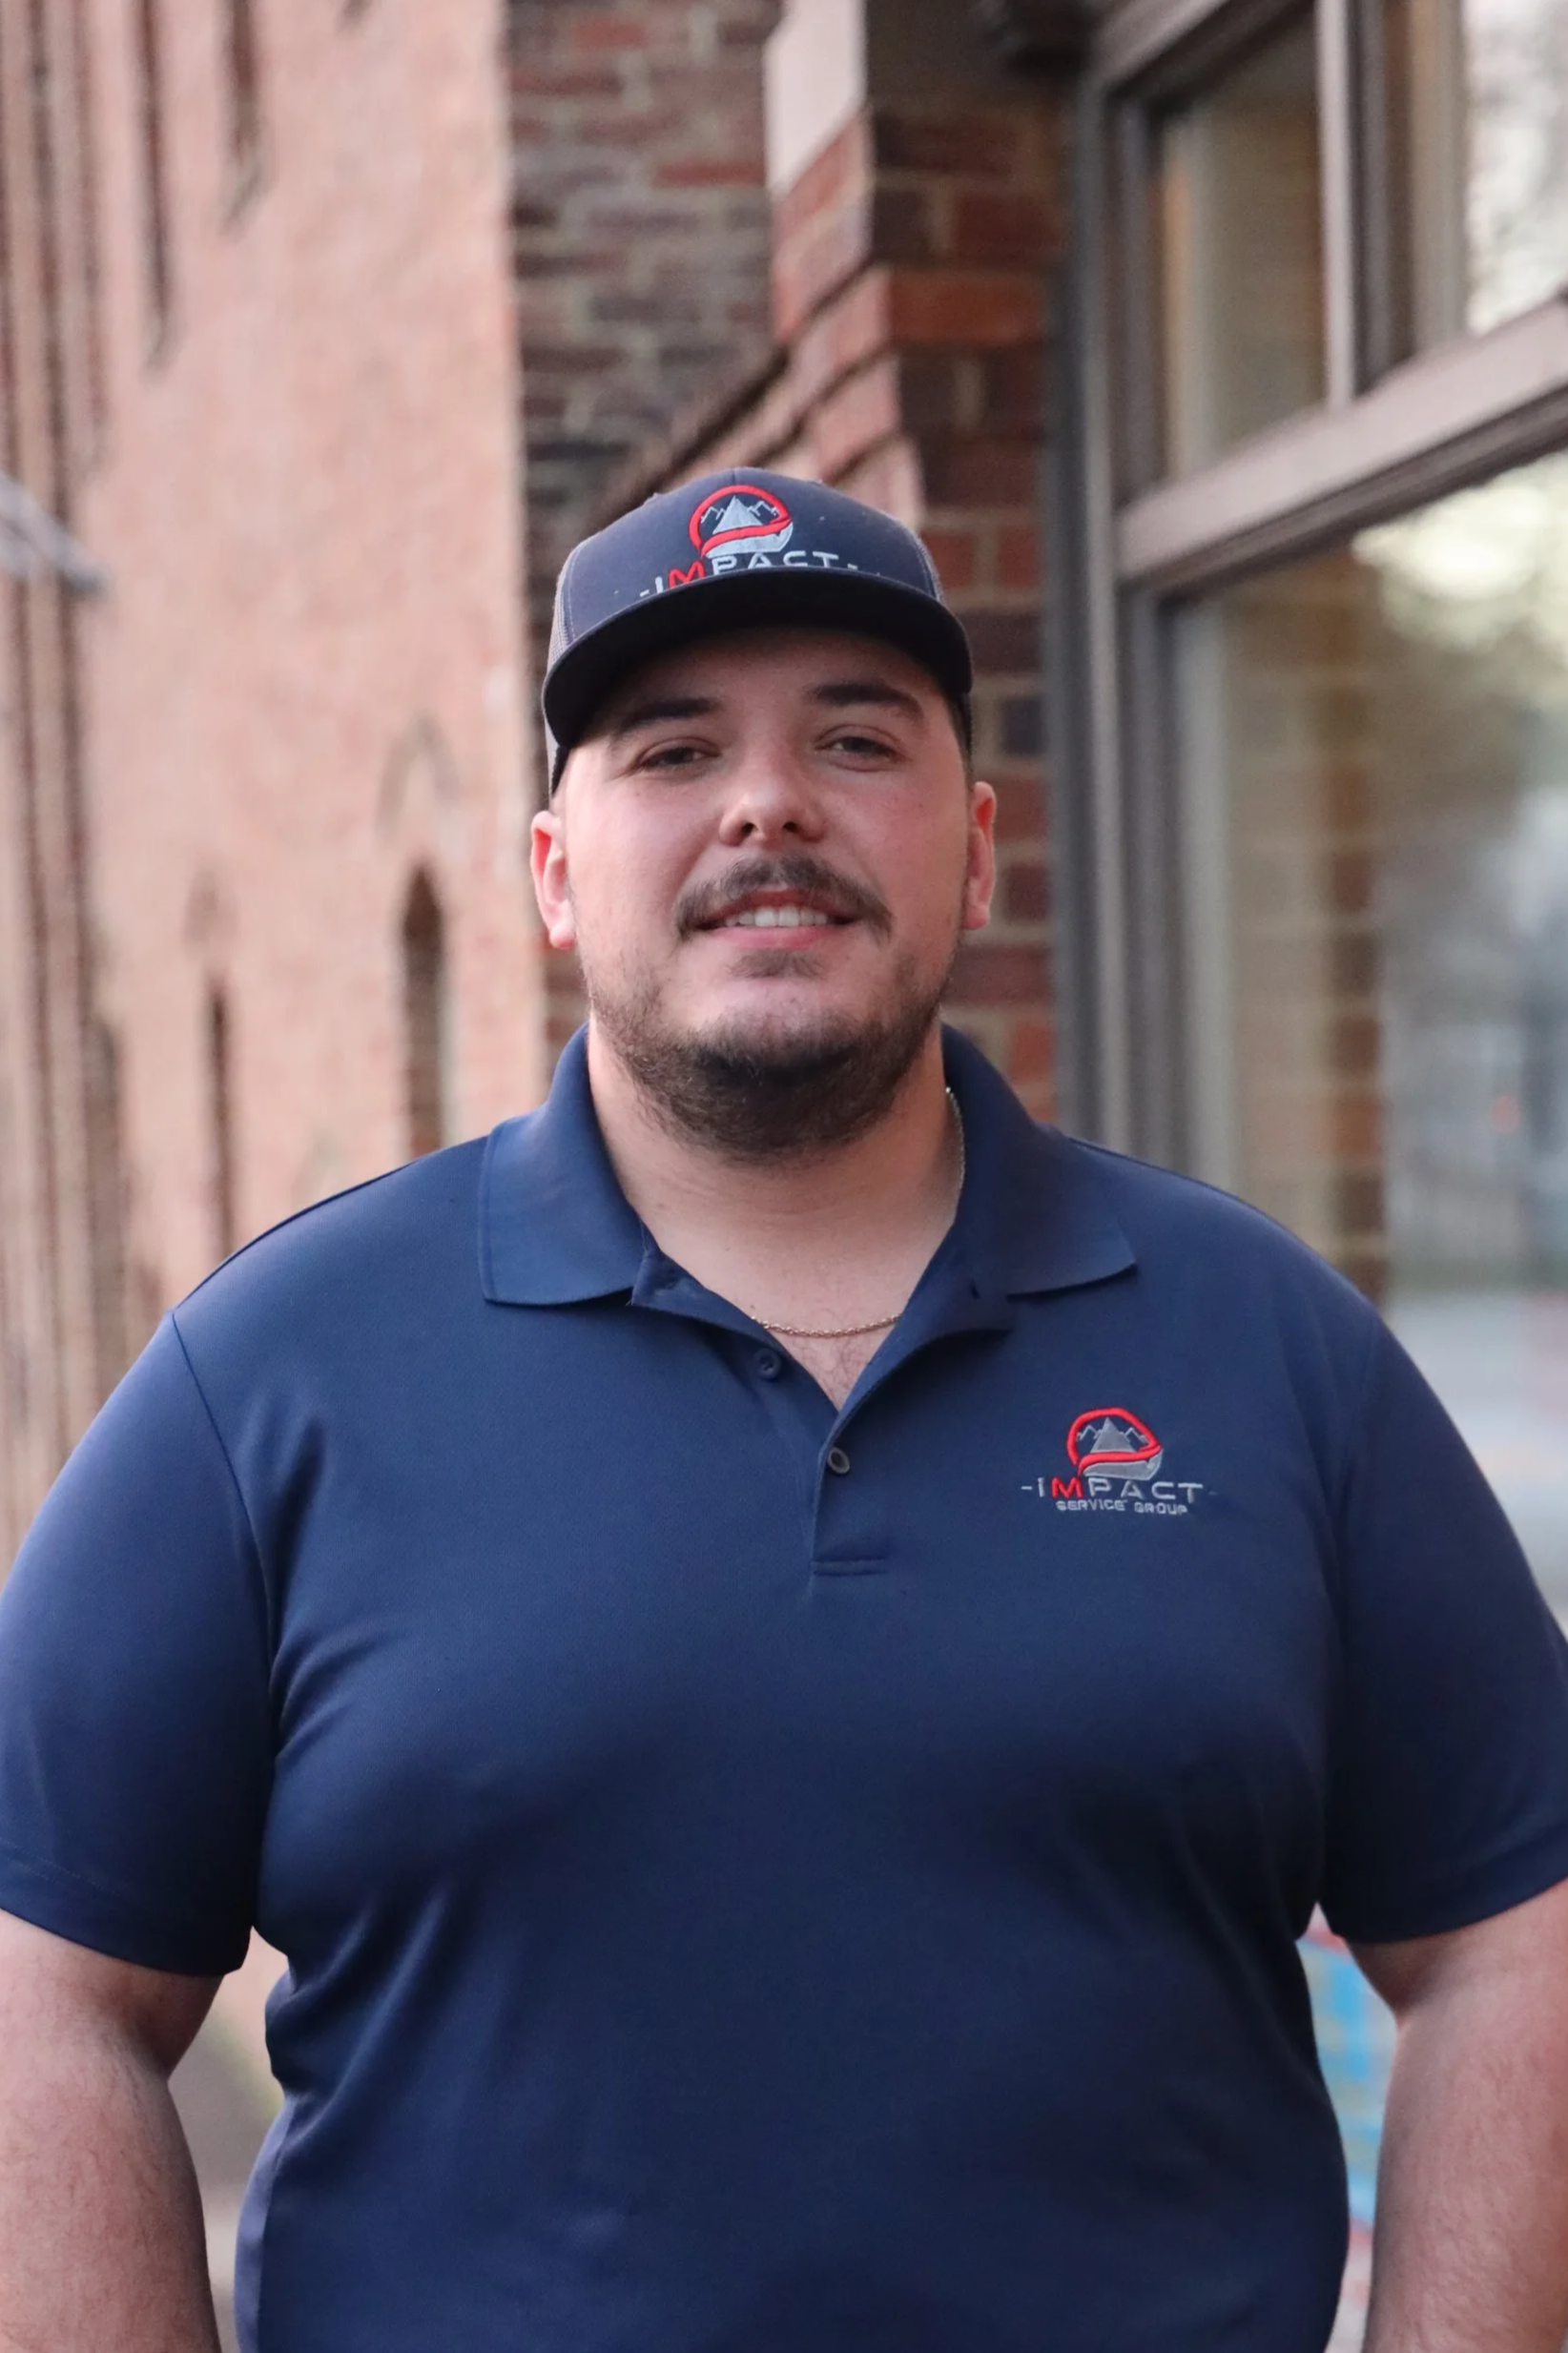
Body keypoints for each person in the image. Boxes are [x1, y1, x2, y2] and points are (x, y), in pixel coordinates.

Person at [1, 466, 1567, 2353]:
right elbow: (45, 1996)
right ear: (558, 875)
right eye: (674, 750)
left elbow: (1515, 1933)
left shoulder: (1266, 1350)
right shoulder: (276, 1377)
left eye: (854, 737)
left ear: (977, 851)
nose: (769, 803)